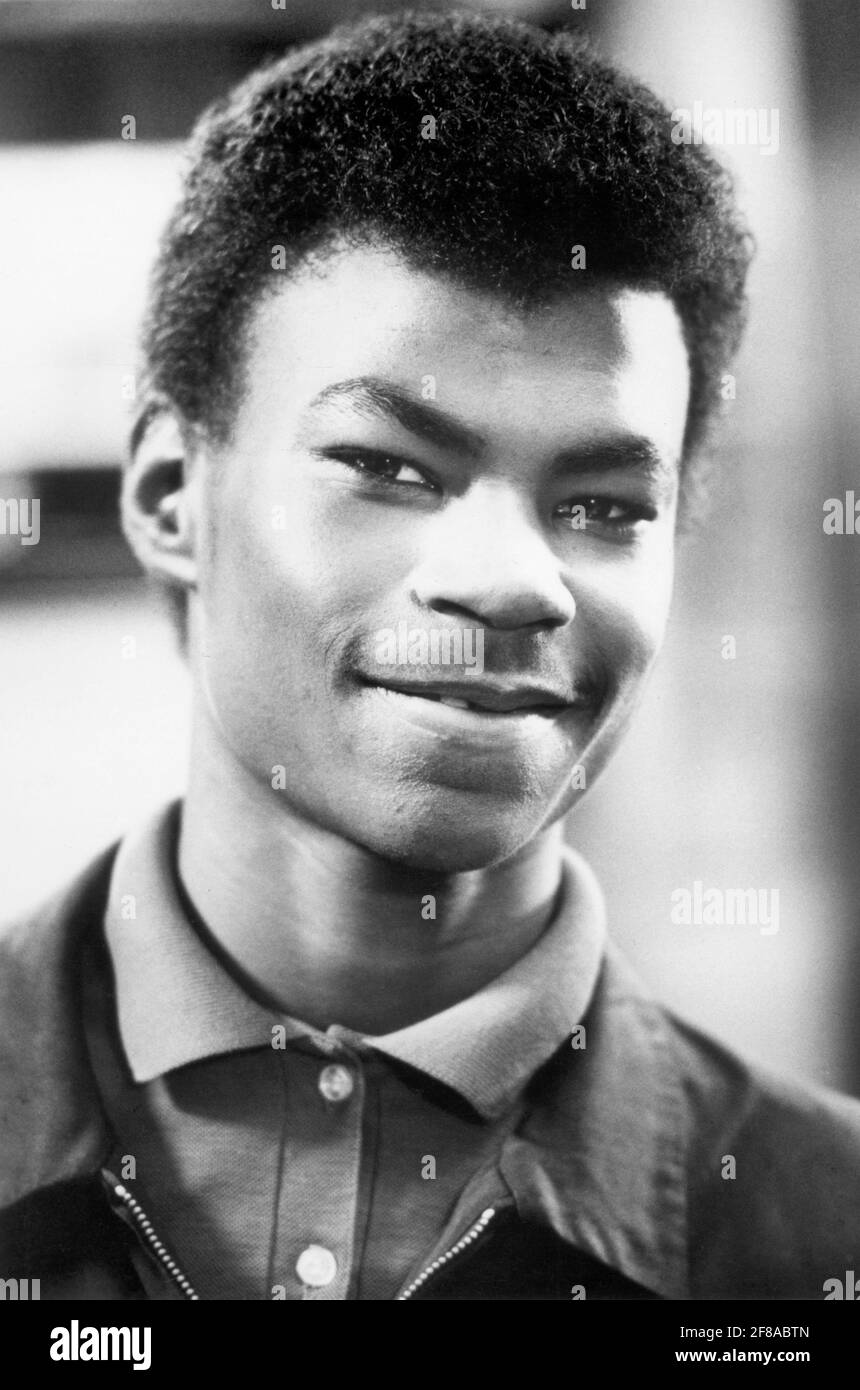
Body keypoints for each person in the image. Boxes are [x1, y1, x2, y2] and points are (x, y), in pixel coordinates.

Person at [2, 10, 858, 1302]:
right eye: (389, 466)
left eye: (604, 504)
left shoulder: (825, 1227)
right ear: (173, 491)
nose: (513, 577)